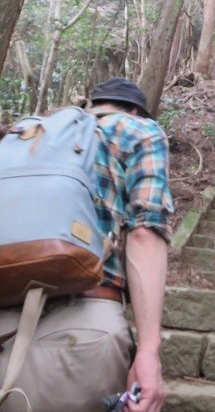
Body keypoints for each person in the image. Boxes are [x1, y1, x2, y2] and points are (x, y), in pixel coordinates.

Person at [0, 78, 174, 412]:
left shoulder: (26, 132)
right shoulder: (140, 130)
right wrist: (149, 351)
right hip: (81, 332)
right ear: (135, 109)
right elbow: (143, 233)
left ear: (91, 105)